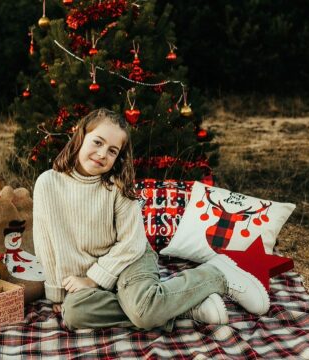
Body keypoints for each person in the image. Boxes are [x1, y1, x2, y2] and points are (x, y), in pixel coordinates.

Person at [32, 108, 269, 331]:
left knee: (143, 313)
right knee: (73, 314)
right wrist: (57, 294)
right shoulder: (47, 183)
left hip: (130, 258)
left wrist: (94, 280)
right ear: (80, 137)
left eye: (113, 151)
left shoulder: (117, 186)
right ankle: (180, 306)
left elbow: (131, 244)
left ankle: (216, 275)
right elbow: (47, 245)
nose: (102, 154)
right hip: (89, 276)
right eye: (97, 142)